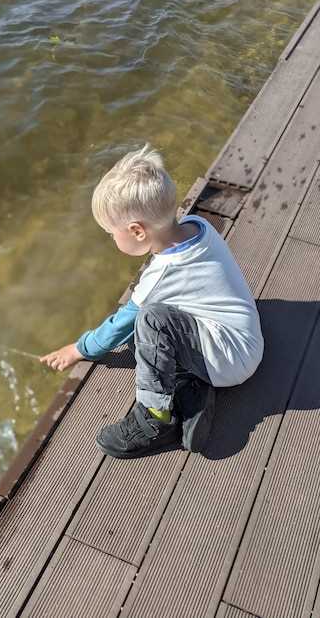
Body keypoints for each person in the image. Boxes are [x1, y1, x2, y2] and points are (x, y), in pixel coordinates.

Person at [40, 144, 264, 458]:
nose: (111, 239)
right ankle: (192, 392)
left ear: (136, 231)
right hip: (242, 338)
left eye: (111, 233)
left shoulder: (161, 276)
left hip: (232, 358)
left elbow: (120, 326)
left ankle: (156, 420)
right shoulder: (198, 228)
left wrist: (79, 349)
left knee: (150, 321)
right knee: (155, 323)